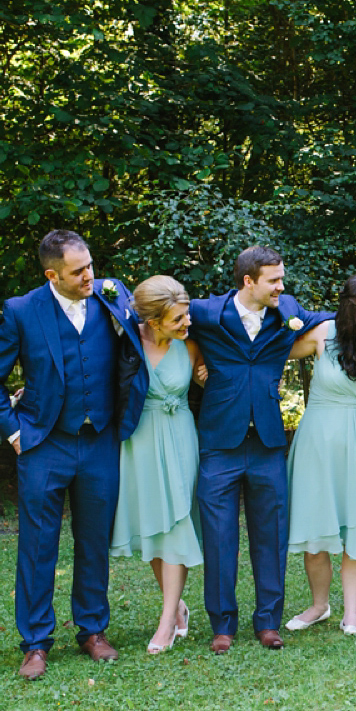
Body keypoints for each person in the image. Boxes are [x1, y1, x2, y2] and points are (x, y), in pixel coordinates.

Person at [0, 229, 142, 680]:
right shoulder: (22, 311)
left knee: (93, 542)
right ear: (53, 274)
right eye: (78, 271)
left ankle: (92, 630)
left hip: (100, 441)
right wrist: (13, 432)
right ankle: (35, 642)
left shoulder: (111, 296)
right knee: (37, 545)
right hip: (44, 443)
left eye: (90, 265)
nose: (90, 275)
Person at [188, 246, 331, 653]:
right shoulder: (206, 313)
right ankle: (222, 625)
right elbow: (162, 318)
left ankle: (268, 621)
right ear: (248, 281)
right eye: (274, 279)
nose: (281, 286)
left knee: (271, 535)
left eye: (282, 279)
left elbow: (329, 321)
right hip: (219, 442)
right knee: (218, 537)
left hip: (269, 442)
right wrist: (195, 361)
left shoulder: (286, 309)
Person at [284, 275, 356, 636]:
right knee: (316, 529)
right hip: (319, 445)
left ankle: (351, 614)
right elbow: (268, 355)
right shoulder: (323, 333)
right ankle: (319, 605)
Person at [109, 275, 206, 654]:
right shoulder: (126, 344)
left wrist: (205, 374)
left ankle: (166, 623)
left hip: (180, 438)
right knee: (152, 526)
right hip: (140, 441)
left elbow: (214, 378)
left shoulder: (193, 345)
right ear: (152, 323)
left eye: (186, 316)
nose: (186, 324)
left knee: (177, 523)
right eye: (178, 320)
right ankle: (177, 606)